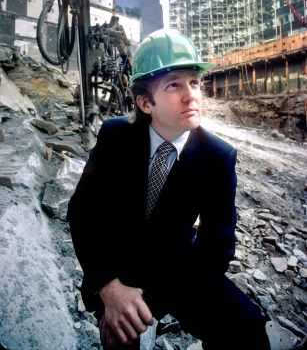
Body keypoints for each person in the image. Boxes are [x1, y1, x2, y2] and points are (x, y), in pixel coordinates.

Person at [67, 29, 271, 350]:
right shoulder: (116, 136)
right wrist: (109, 288)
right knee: (120, 334)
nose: (191, 95)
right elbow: (82, 213)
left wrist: (145, 303)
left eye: (193, 82)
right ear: (146, 102)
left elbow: (215, 251)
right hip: (117, 260)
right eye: (174, 84)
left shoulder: (218, 157)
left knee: (248, 329)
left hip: (179, 268)